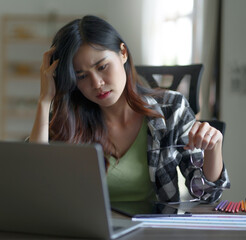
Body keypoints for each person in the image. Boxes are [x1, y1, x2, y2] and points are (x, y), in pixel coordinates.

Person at [28, 15, 230, 203]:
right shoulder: (69, 119)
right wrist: (45, 100)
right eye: (81, 76)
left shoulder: (171, 109)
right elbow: (34, 183)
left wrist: (214, 148)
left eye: (102, 67)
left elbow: (206, 195)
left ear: (122, 53)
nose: (97, 83)